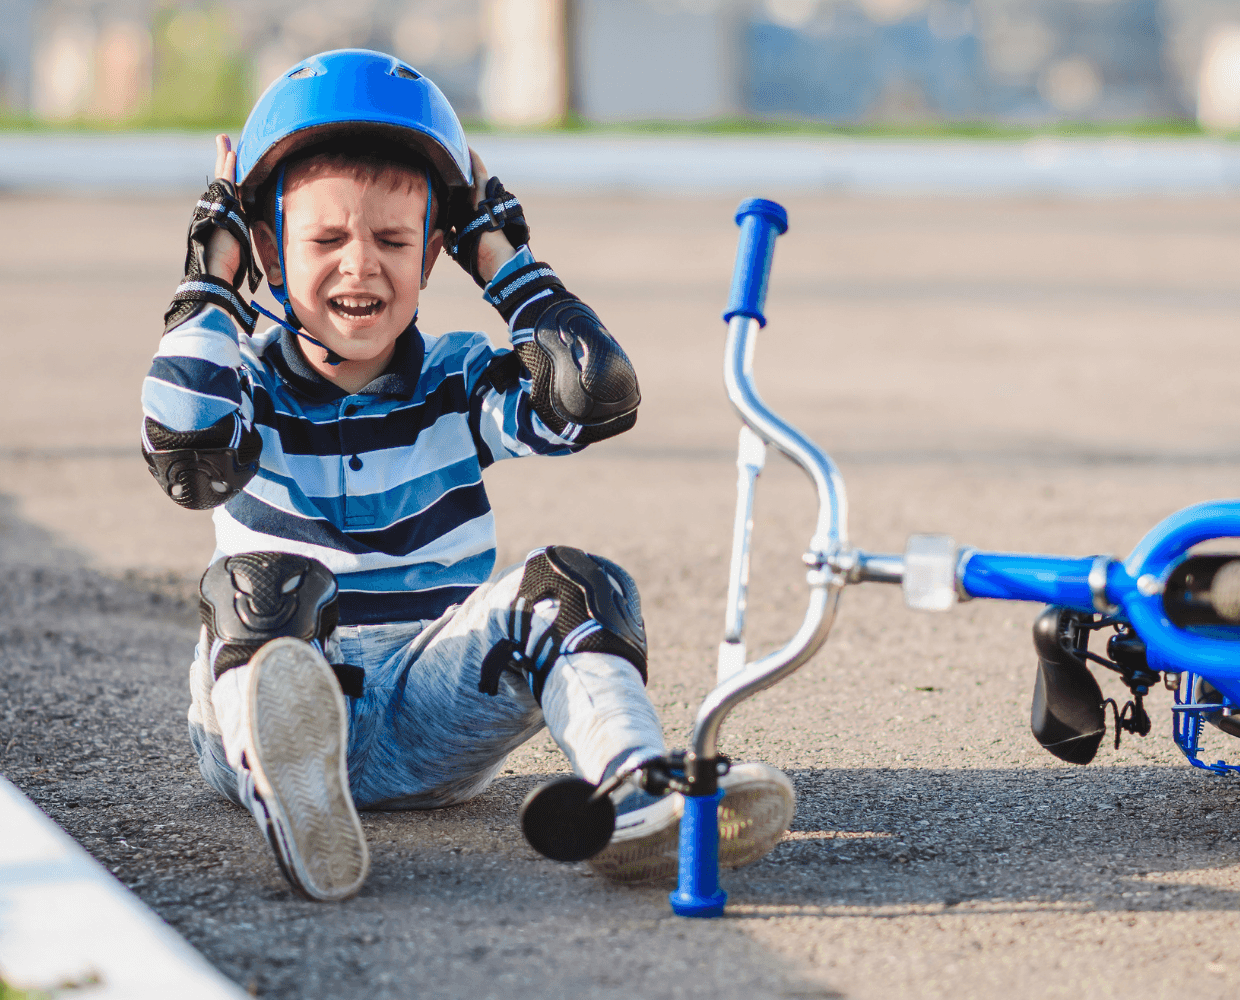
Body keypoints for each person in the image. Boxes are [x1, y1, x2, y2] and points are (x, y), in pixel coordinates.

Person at [140, 48, 794, 901]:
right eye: (326, 239)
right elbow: (186, 450)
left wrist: (502, 258)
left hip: (428, 710)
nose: (360, 265)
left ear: (433, 250)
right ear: (268, 245)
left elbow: (590, 395)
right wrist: (211, 275)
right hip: (268, 711)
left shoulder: (456, 381)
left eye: (393, 239)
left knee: (576, 585)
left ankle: (634, 791)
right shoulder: (244, 383)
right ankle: (299, 806)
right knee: (263, 585)